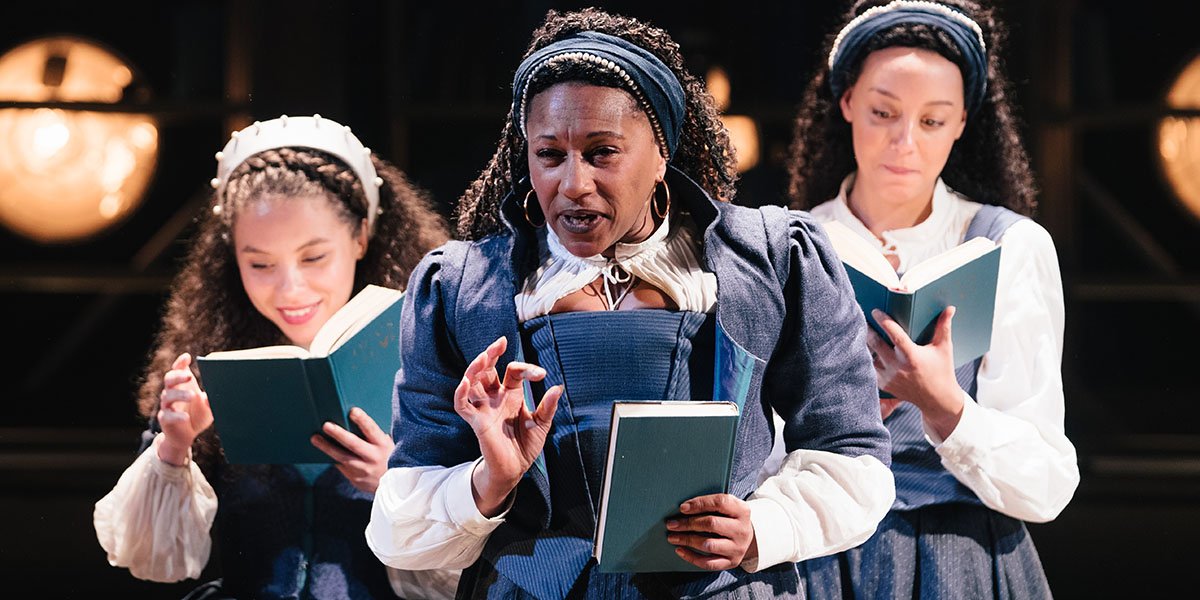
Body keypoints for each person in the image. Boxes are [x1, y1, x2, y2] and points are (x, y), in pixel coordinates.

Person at [365, 8, 895, 599]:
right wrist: (489, 480)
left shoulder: (773, 261)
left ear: (662, 151)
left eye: (602, 152)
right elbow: (399, 528)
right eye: (549, 155)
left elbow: (851, 455)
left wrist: (759, 529)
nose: (572, 183)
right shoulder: (463, 287)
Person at [785, 1, 1081, 597]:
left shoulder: (1007, 246)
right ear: (846, 103)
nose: (904, 142)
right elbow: (750, 452)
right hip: (822, 556)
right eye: (882, 112)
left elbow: (1047, 483)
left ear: (963, 122)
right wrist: (840, 414)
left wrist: (946, 408)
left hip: (962, 561)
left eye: (932, 121)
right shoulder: (790, 245)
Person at [93, 114, 455, 599]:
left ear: (361, 236)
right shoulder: (210, 367)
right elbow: (151, 559)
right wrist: (175, 446)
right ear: (232, 256)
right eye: (260, 263)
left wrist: (397, 488)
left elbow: (468, 570)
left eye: (314, 257)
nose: (290, 288)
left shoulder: (430, 367)